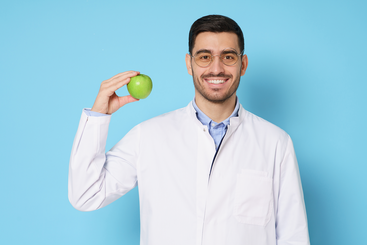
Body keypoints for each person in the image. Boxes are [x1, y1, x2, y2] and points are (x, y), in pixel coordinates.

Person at [68, 15, 310, 245]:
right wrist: (98, 116)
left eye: (228, 57)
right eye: (204, 57)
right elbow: (86, 194)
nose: (216, 68)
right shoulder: (149, 136)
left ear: (243, 64)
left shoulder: (276, 143)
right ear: (189, 64)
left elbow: (294, 237)